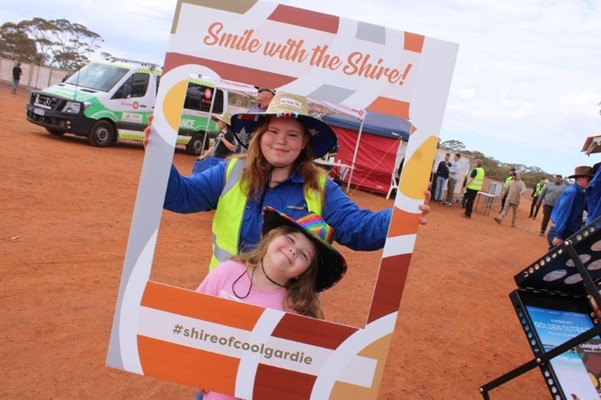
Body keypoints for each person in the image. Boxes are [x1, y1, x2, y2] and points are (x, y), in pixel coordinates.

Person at [143, 92, 430, 271]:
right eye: (273, 131)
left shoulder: (319, 186)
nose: (281, 141)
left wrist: (401, 216)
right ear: (259, 135)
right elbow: (180, 196)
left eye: (292, 135)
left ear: (304, 142)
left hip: (284, 309)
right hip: (223, 297)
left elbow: (358, 228)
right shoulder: (230, 171)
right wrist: (158, 161)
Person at [195, 207, 347, 400]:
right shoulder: (227, 272)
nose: (293, 250)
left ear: (304, 272)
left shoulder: (296, 312)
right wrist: (196, 370)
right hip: (212, 390)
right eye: (291, 239)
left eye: (304, 255)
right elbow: (194, 320)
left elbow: (292, 370)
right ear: (272, 237)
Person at [547, 166, 594, 248]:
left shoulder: (581, 193)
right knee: (559, 260)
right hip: (562, 232)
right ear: (580, 178)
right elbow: (563, 214)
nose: (591, 182)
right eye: (589, 179)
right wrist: (559, 236)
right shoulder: (572, 192)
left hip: (569, 232)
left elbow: (590, 208)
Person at [235, 87, 276, 153]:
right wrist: (237, 149)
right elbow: (243, 129)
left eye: (260, 90)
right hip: (244, 152)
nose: (257, 92)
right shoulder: (251, 110)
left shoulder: (276, 112)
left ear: (270, 94)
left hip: (260, 153)